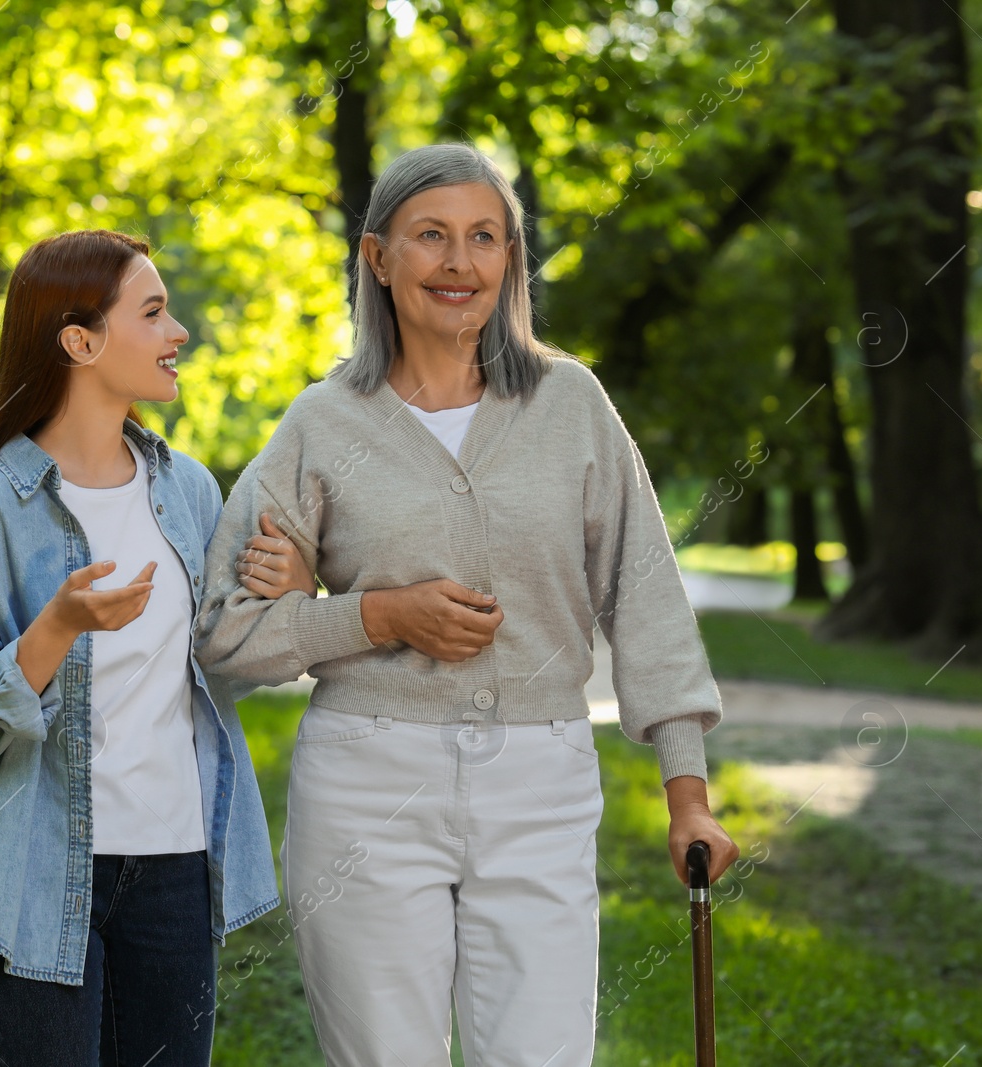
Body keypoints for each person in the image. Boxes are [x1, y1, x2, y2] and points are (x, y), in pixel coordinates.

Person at [194, 143, 740, 1067]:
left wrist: (687, 792)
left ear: (511, 260)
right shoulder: (321, 425)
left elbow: (645, 594)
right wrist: (375, 615)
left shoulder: (570, 404)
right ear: (377, 258)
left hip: (544, 781)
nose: (460, 263)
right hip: (365, 782)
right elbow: (223, 636)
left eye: (485, 237)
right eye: (431, 237)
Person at [0, 229, 311, 1066]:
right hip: (33, 871)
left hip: (174, 864)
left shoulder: (191, 490)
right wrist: (53, 629)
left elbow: (231, 656)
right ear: (80, 341)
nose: (180, 334)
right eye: (155, 312)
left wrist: (290, 583)